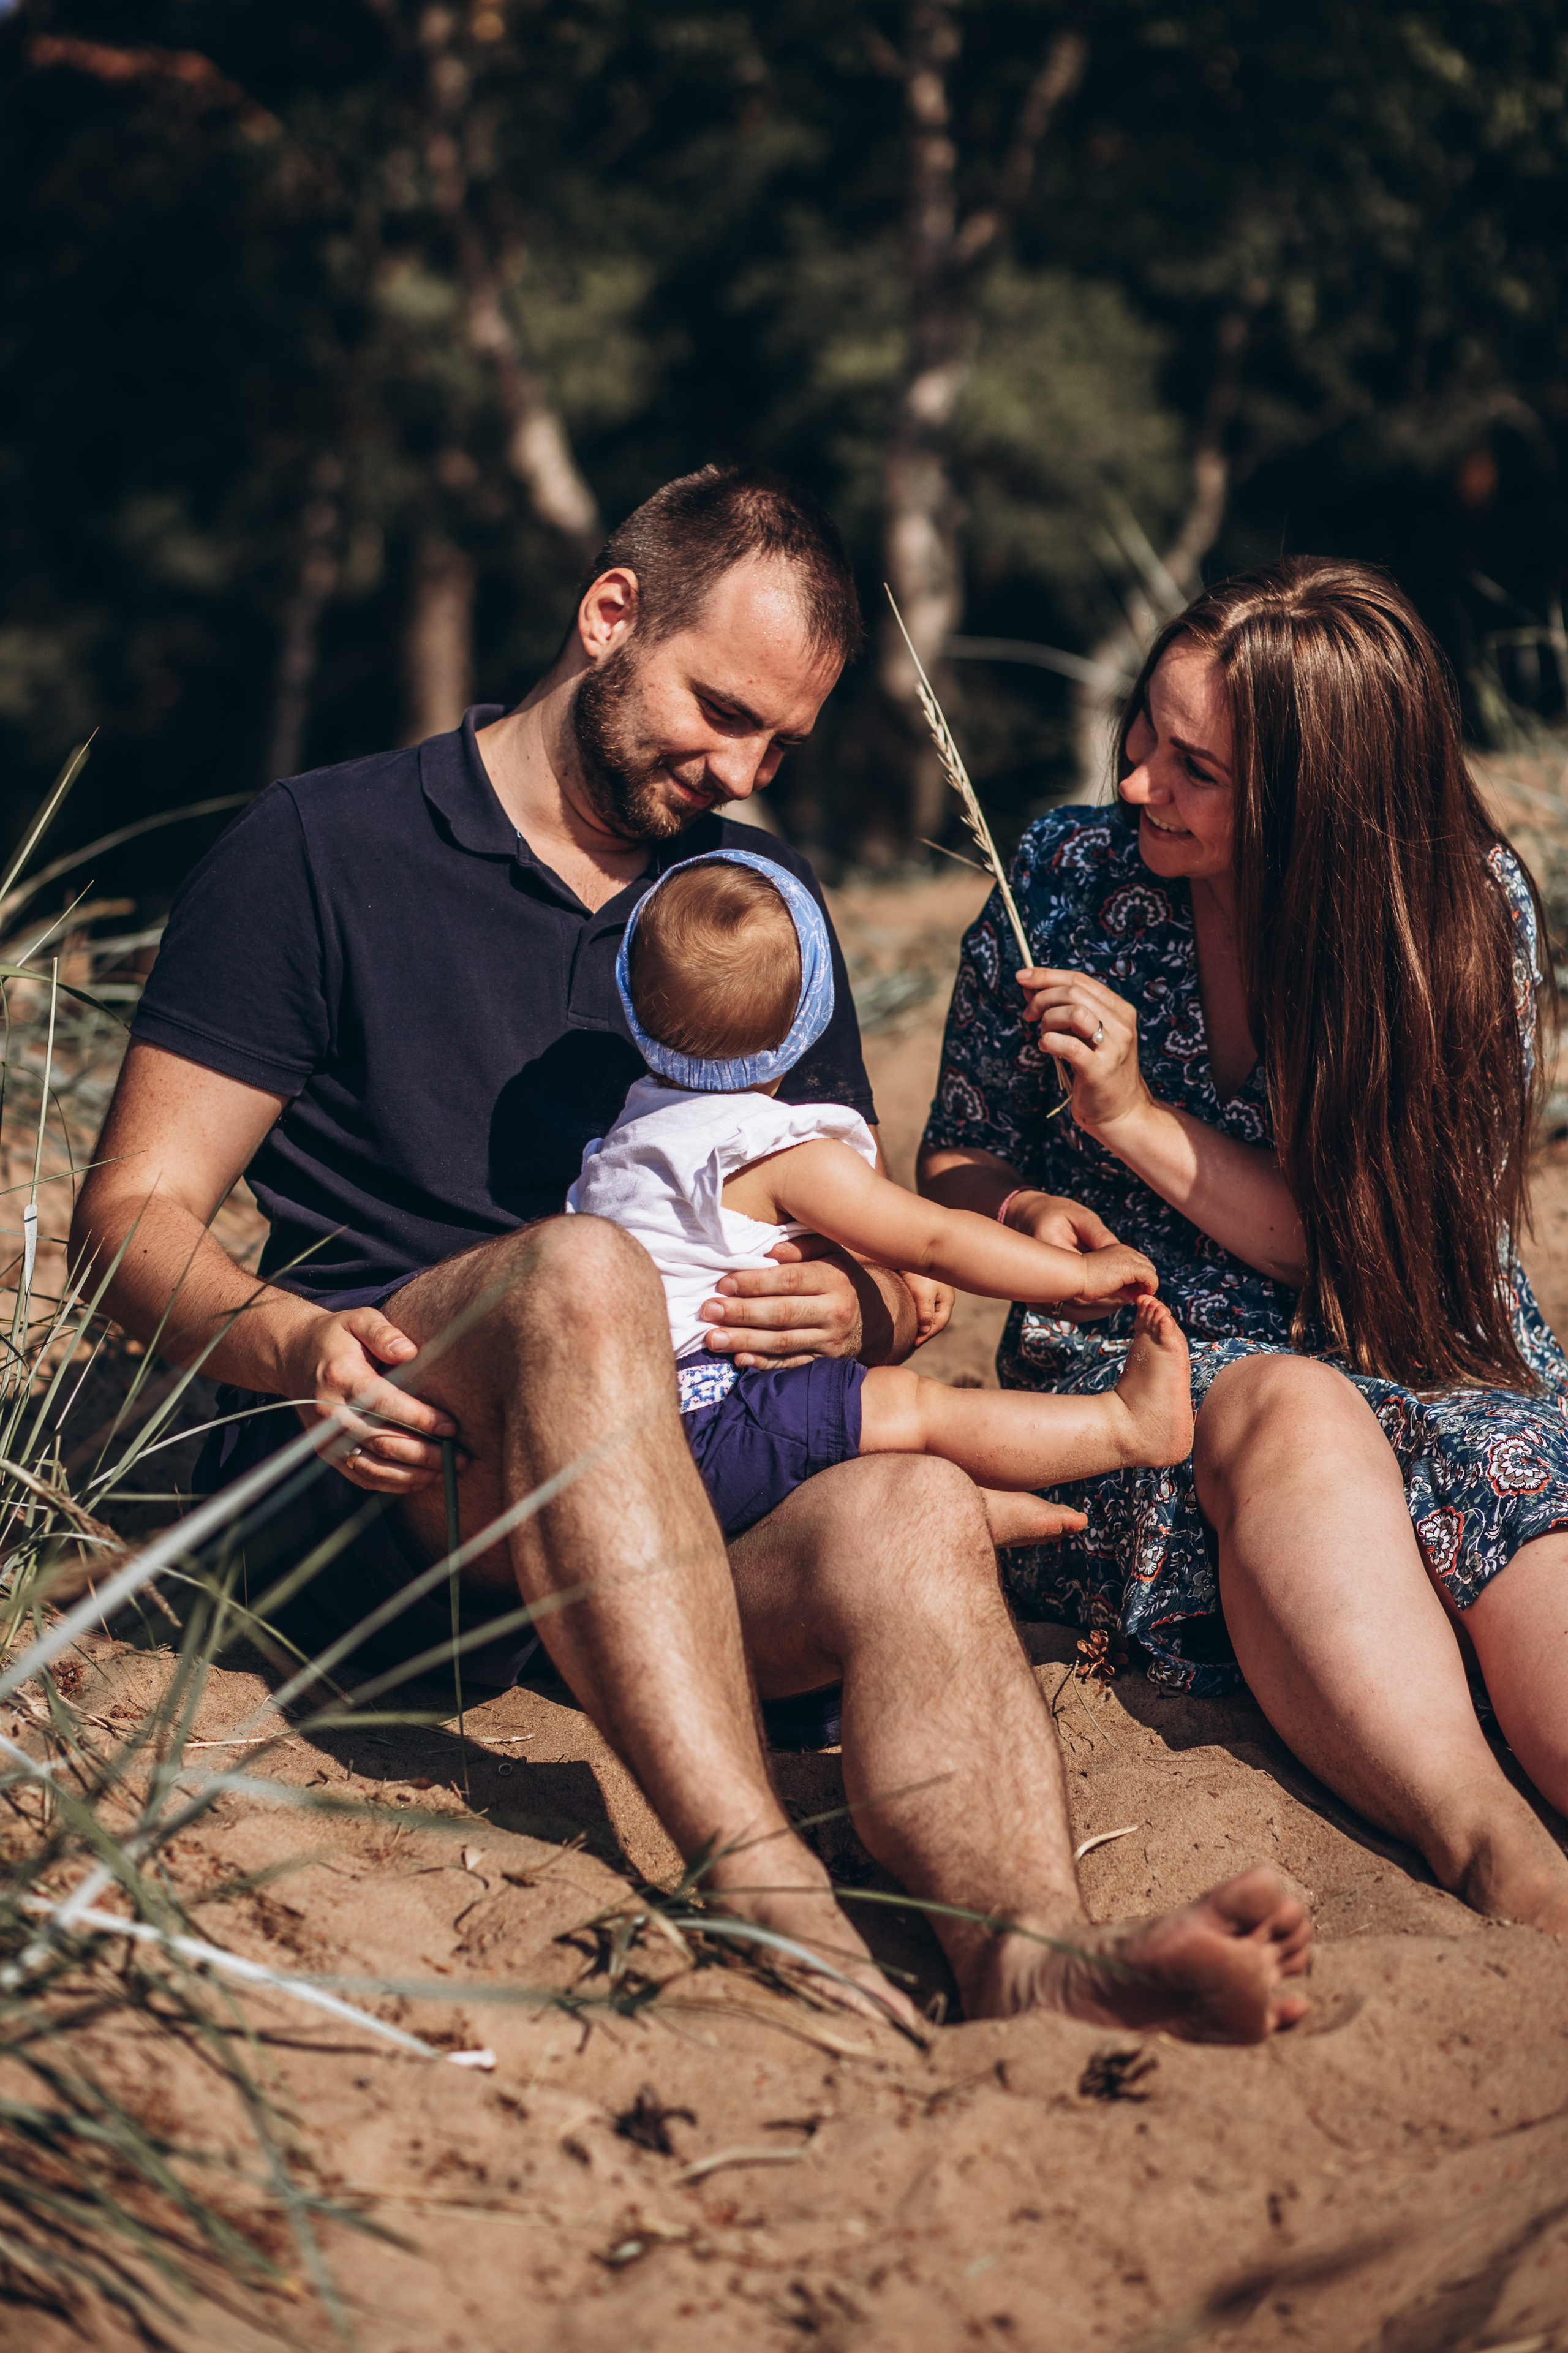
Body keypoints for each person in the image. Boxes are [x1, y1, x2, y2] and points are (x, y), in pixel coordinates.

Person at [72, 464, 1311, 2038]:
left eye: (780, 741)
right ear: (608, 616)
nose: (737, 769)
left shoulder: (754, 895)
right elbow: (128, 1216)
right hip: (408, 1497)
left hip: (685, 1498)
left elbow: (878, 1250)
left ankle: (1036, 1956)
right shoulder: (320, 847)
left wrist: (861, 1294)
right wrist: (288, 1344)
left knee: (913, 1509)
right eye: (719, 711)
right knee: (580, 1270)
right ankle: (758, 1880)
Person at [920, 554, 1568, 1938]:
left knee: (1509, 1510)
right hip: (1170, 1376)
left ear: (1318, 804)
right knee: (1289, 1414)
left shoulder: (1455, 918)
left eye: (1193, 768)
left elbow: (1387, 1260)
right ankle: (1492, 1846)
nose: (1139, 782)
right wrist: (1020, 1213)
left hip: (1426, 1339)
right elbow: (956, 1157)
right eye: (1140, 736)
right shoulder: (1063, 875)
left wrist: (1138, 1122)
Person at [570, 845, 1193, 1543]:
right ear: (807, 1025)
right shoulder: (774, 1151)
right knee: (910, 1405)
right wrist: (1075, 1275)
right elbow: (935, 1239)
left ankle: (992, 1510)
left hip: (617, 1437)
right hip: (705, 1424)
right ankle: (1127, 1427)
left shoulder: (633, 1138)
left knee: (852, 1420)